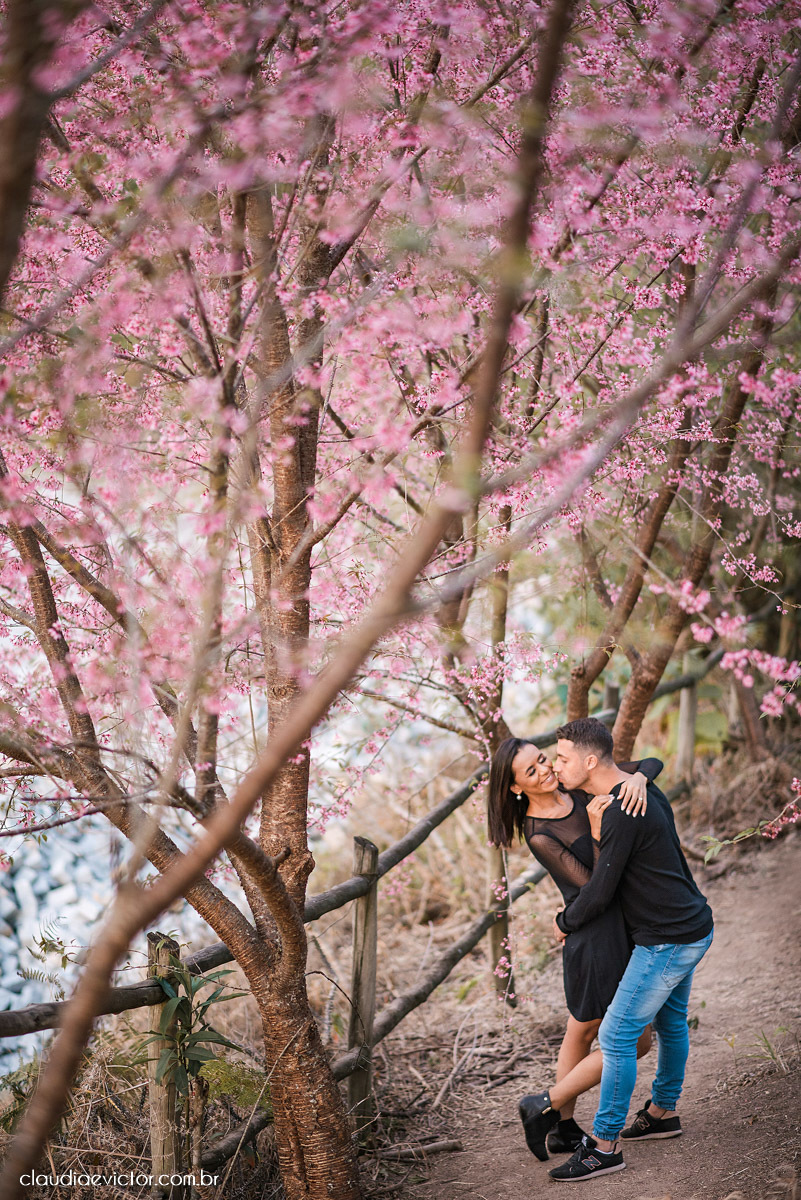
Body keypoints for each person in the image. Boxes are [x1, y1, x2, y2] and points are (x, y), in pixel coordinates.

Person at [519, 717, 714, 1183]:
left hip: (666, 938)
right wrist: (644, 773)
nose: (554, 767)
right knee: (670, 1022)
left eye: (560, 758)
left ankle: (603, 1145)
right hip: (690, 923)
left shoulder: (621, 809)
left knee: (618, 1038)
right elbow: (643, 767)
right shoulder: (634, 788)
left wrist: (564, 921)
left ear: (589, 762)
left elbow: (600, 889)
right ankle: (663, 1111)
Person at [488, 737, 663, 1155]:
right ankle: (547, 1110)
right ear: (516, 788)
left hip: (612, 927)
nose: (546, 770)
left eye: (543, 760)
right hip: (592, 936)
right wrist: (600, 833)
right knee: (630, 1040)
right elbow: (594, 884)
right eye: (532, 771)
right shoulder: (540, 833)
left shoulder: (574, 785)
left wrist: (637, 779)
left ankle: (559, 1125)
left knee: (581, 1030)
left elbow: (652, 761)